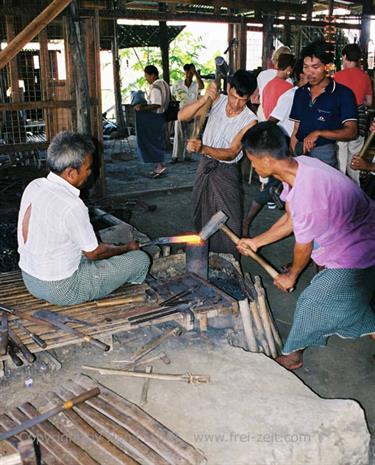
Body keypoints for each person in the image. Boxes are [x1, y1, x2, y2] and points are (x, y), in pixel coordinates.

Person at [238, 122, 375, 370]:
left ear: (267, 161)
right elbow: (290, 219)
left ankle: (293, 355)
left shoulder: (307, 194)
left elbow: (303, 247)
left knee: (313, 300)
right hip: (348, 235)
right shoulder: (299, 166)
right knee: (348, 300)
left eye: (252, 159)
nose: (252, 165)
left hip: (362, 244)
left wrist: (291, 275)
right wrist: (255, 242)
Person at [17, 131, 150, 306]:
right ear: (71, 173)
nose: (90, 173)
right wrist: (126, 248)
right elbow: (93, 254)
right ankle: (124, 280)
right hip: (62, 289)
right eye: (88, 168)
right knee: (141, 260)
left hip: (30, 278)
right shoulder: (72, 205)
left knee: (88, 247)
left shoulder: (35, 186)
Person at [178, 70, 257, 257]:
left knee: (230, 217)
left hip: (226, 171)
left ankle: (229, 261)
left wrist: (203, 148)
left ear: (250, 97)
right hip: (205, 166)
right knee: (202, 211)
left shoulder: (250, 120)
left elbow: (231, 153)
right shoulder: (217, 100)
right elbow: (182, 116)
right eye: (233, 97)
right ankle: (205, 255)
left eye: (242, 100)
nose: (236, 104)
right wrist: (204, 99)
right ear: (228, 88)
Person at [290, 40, 358, 167]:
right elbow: (295, 130)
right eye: (306, 67)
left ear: (327, 67)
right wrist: (294, 155)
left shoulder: (343, 93)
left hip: (325, 154)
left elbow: (352, 131)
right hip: (300, 152)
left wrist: (319, 133)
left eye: (315, 67)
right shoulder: (300, 93)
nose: (309, 72)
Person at [333, 43, 373, 184]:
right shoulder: (365, 77)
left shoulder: (337, 76)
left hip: (341, 120)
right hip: (359, 120)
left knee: (340, 157)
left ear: (344, 56)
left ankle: (341, 191)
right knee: (356, 158)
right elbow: (369, 102)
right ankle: (355, 193)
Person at [134, 65, 170, 177]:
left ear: (153, 75)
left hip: (156, 117)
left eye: (147, 76)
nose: (146, 78)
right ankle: (159, 166)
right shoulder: (164, 83)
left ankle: (160, 166)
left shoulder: (155, 86)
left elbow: (156, 104)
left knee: (153, 142)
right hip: (163, 116)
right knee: (157, 142)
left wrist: (142, 108)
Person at [171, 63, 204, 163]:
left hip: (193, 113)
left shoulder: (196, 85)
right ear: (184, 72)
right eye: (187, 72)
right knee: (178, 135)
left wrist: (196, 73)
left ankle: (188, 156)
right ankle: (176, 156)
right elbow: (172, 96)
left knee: (191, 135)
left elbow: (202, 86)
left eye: (191, 72)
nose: (189, 74)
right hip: (180, 113)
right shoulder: (178, 84)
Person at [252, 46, 292, 122]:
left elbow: (254, 99)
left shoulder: (262, 74)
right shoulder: (288, 81)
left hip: (262, 117)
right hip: (279, 120)